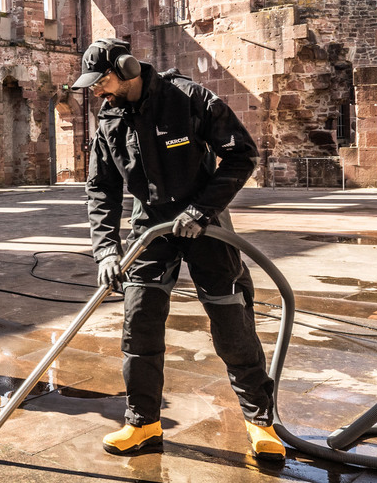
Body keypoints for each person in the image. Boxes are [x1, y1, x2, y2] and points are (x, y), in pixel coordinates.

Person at [73, 38, 284, 460]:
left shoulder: (188, 99)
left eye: (101, 81)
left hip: (205, 224)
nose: (96, 91)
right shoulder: (110, 118)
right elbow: (101, 188)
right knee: (140, 323)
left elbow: (242, 155)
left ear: (127, 69)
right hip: (150, 229)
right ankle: (143, 423)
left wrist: (202, 210)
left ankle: (260, 423)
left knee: (231, 322)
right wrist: (106, 250)